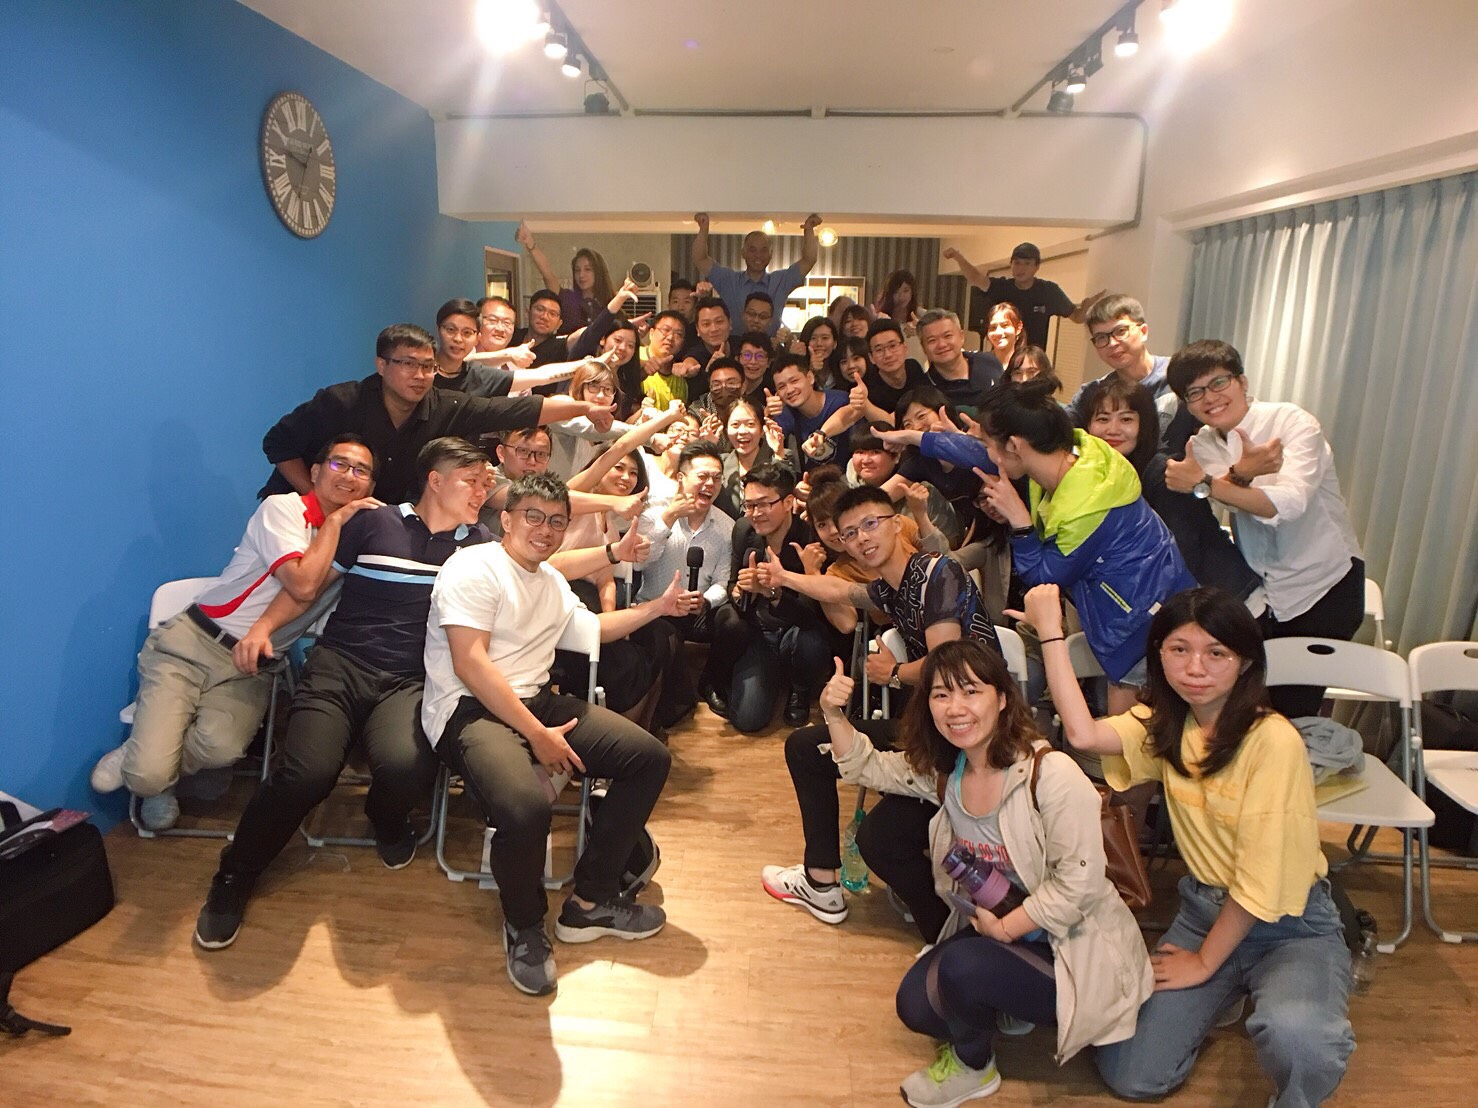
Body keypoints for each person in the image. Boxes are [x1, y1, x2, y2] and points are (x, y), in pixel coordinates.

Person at [1030, 583, 1355, 1106]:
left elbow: (1258, 884)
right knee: (1130, 1073)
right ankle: (1223, 993)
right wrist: (1050, 632)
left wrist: (1204, 963)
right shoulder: (1168, 723)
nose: (1195, 668)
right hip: (1206, 912)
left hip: (1290, 924)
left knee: (1300, 1037)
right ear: (1159, 655)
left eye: (1216, 653)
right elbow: (1084, 735)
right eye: (1179, 649)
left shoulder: (1272, 741)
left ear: (1245, 663)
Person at [820, 638, 1152, 1107]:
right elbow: (869, 767)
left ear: (1002, 699)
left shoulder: (1050, 774)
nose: (956, 708)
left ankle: (974, 1067)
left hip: (1074, 946)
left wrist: (1007, 928)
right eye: (941, 694)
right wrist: (833, 715)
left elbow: (1079, 885)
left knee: (959, 968)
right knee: (916, 1006)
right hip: (1008, 933)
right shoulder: (949, 773)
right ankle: (1008, 996)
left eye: (971, 691)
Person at [194, 438, 496, 950]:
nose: (482, 491)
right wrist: (262, 628)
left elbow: (538, 562)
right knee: (306, 774)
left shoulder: (480, 545)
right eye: (472, 480)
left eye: (486, 483)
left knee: (407, 768)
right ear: (436, 480)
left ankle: (385, 818)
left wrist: (609, 555)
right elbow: (306, 588)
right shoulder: (373, 522)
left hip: (410, 679)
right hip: (339, 666)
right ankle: (234, 872)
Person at [423, 472, 695, 996]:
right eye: (533, 516)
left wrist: (656, 609)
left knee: (648, 759)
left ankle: (590, 902)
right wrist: (538, 735)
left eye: (556, 521)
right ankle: (525, 925)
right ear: (506, 520)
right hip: (468, 709)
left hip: (535, 701)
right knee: (526, 807)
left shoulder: (549, 581)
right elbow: (470, 663)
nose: (544, 530)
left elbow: (592, 630)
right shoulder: (473, 567)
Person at [90, 436, 379, 830]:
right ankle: (149, 776)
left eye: (361, 471)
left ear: (370, 487)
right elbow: (302, 584)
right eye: (338, 464)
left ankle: (148, 765)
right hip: (192, 644)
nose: (349, 475)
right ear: (314, 472)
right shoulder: (282, 508)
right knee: (147, 774)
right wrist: (334, 521)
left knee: (221, 751)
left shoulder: (358, 542)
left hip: (252, 666)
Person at [756, 485, 1003, 936]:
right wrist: (786, 577)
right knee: (807, 747)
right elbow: (841, 590)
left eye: (871, 524)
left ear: (896, 523)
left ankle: (949, 934)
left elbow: (945, 663)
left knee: (880, 839)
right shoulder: (893, 588)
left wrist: (894, 673)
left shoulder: (937, 573)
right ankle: (820, 882)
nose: (862, 538)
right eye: (850, 533)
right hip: (933, 733)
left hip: (977, 742)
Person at [1163, 341, 1364, 718]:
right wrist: (1238, 474)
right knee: (1249, 705)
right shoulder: (1203, 446)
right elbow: (1225, 495)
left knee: (1294, 710)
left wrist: (1204, 483)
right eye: (1195, 392)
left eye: (1218, 382)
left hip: (1324, 584)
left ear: (1242, 382)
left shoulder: (1291, 423)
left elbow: (1288, 504)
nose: (1210, 398)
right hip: (1263, 592)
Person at [972, 379, 1196, 713]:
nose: (987, 454)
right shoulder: (1081, 453)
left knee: (1128, 738)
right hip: (1160, 610)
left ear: (1015, 446)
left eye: (988, 444)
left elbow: (1044, 578)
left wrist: (1020, 522)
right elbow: (975, 454)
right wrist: (917, 439)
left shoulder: (1085, 510)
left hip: (1141, 627)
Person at [259, 323, 603, 504]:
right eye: (409, 364)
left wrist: (586, 407)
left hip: (367, 522)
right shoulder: (341, 401)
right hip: (296, 509)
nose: (420, 375)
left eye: (428, 366)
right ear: (382, 365)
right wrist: (315, 499)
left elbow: (516, 409)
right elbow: (277, 443)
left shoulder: (444, 406)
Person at [1082, 376, 1263, 610]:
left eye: (1126, 419)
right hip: (1180, 602)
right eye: (1102, 419)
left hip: (1222, 601)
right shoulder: (1103, 475)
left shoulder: (1166, 472)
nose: (1112, 430)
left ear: (1145, 425)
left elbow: (1182, 553)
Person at [705, 461, 832, 730]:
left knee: (813, 641)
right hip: (758, 633)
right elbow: (733, 585)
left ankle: (800, 688)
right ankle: (720, 678)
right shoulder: (743, 530)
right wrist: (741, 590)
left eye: (764, 504)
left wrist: (772, 592)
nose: (755, 513)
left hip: (796, 632)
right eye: (750, 505)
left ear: (788, 502)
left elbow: (812, 614)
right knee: (748, 720)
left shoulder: (810, 539)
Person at [633, 442, 735, 724]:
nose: (710, 484)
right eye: (702, 476)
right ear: (681, 478)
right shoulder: (653, 514)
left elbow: (723, 581)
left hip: (698, 610)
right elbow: (639, 563)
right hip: (656, 608)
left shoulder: (727, 526)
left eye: (716, 478)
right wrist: (667, 520)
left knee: (733, 623)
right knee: (662, 636)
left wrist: (706, 600)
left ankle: (711, 682)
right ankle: (667, 709)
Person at [1064, 293, 1194, 451]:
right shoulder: (1092, 393)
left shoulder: (1183, 376)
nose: (1112, 343)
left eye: (1120, 331)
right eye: (1101, 337)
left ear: (1143, 331)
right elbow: (1058, 432)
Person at [944, 241, 1105, 350]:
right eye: (1017, 263)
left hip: (1033, 359)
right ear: (1011, 264)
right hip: (1003, 355)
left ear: (1036, 267)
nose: (1021, 269)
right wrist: (958, 257)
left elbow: (1077, 317)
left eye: (1027, 264)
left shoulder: (1049, 291)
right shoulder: (1002, 287)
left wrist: (1086, 307)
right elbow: (975, 278)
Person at [692, 211, 822, 337]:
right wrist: (703, 228)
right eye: (752, 250)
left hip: (769, 347)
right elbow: (700, 259)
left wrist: (809, 229)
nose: (758, 255)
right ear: (743, 252)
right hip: (734, 346)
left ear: (771, 254)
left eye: (764, 250)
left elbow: (809, 260)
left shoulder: (780, 281)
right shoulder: (728, 279)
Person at [514, 222, 614, 333]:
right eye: (577, 270)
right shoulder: (567, 299)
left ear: (598, 272)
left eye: (587, 269)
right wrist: (530, 244)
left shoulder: (610, 304)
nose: (581, 275)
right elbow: (547, 274)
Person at [770, 353, 851, 472]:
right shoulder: (787, 414)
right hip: (813, 479)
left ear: (810, 378)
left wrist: (822, 433)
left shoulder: (840, 401)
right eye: (782, 387)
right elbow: (767, 442)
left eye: (794, 381)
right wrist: (768, 414)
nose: (789, 390)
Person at [714, 394, 787, 520]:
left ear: (762, 429)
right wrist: (707, 447)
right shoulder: (719, 463)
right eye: (735, 425)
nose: (742, 431)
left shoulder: (780, 457)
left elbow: (785, 493)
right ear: (726, 430)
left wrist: (779, 454)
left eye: (750, 424)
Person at [918, 309, 1001, 414]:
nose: (941, 344)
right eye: (932, 340)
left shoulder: (988, 361)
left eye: (947, 336)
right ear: (924, 348)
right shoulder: (925, 392)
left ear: (961, 337)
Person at [864, 319, 930, 417]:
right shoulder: (869, 389)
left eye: (892, 346)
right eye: (879, 350)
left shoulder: (914, 367)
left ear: (905, 348)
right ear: (871, 358)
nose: (888, 355)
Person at [640, 310, 690, 407]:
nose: (670, 337)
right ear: (651, 333)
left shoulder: (681, 376)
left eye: (678, 334)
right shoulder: (634, 356)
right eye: (665, 330)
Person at [511, 289, 569, 367]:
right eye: (540, 309)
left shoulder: (560, 346)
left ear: (559, 324)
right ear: (528, 312)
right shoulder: (511, 336)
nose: (545, 317)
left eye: (552, 314)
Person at [983, 302, 1026, 376]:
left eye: (1005, 325)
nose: (998, 332)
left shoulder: (1027, 365)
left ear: (1018, 328)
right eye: (993, 327)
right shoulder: (980, 364)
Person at [799, 316, 841, 388]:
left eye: (825, 338)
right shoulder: (798, 370)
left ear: (835, 343)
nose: (819, 343)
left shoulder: (842, 368)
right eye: (813, 338)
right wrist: (812, 371)